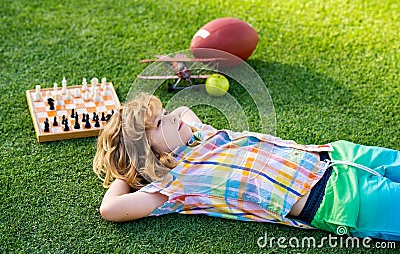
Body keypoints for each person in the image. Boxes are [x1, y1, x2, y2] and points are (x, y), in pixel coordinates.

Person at [93, 92, 400, 241]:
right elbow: (112, 209)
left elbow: (185, 110)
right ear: (151, 155)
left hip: (338, 155)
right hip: (339, 200)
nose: (173, 116)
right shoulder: (176, 184)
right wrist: (132, 171)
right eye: (161, 121)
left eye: (165, 112)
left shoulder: (200, 134)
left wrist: (155, 121)